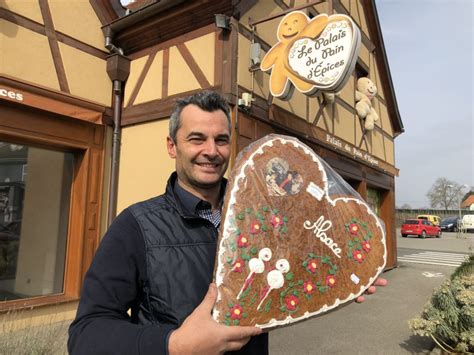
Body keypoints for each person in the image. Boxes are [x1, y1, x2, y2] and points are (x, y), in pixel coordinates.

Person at [68, 90, 266, 354]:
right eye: (197, 139)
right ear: (172, 146)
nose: (211, 151)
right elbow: (86, 334)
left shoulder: (256, 218)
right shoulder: (135, 226)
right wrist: (172, 345)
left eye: (221, 140)